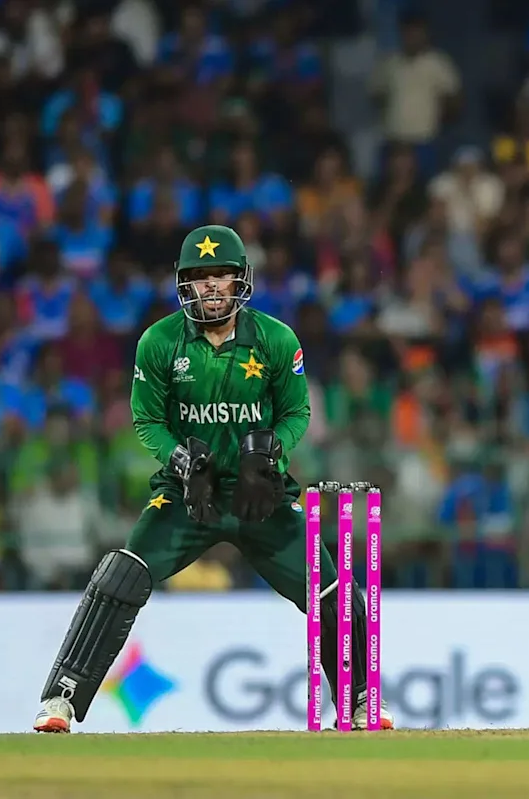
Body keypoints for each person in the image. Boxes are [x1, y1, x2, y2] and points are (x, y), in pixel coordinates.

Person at [32, 224, 393, 732]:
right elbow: (147, 420)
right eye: (201, 276)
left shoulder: (275, 339)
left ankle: (359, 701)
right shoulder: (159, 342)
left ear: (240, 279)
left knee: (330, 587)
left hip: (258, 494)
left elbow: (297, 413)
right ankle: (61, 699)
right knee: (122, 573)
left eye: (221, 274)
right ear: (184, 283)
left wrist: (270, 454)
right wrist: (180, 459)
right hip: (189, 492)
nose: (212, 286)